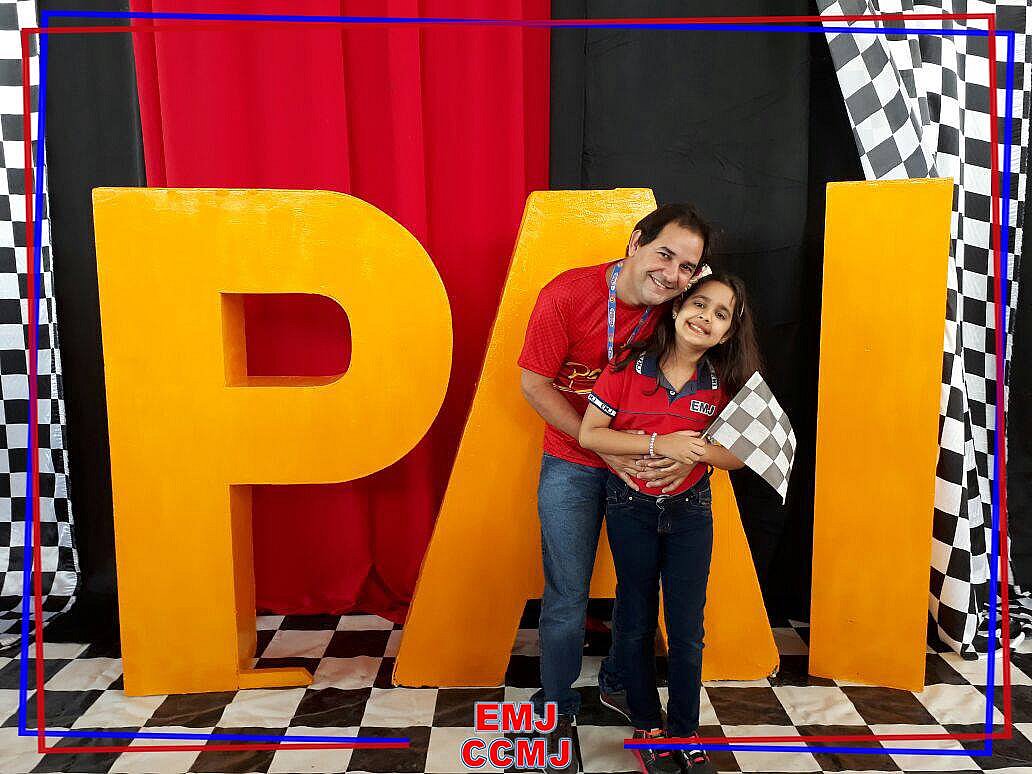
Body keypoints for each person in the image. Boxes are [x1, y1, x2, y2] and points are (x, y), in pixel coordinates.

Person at [518, 204, 713, 774]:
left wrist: (692, 459)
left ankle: (619, 684)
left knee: (639, 594)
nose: (672, 274)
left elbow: (719, 373)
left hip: (647, 465)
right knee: (566, 595)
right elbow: (534, 383)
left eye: (687, 267)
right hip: (573, 462)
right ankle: (555, 710)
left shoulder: (682, 307)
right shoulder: (566, 295)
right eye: (664, 255)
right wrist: (601, 446)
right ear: (635, 241)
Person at [578, 273, 761, 774]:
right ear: (678, 308)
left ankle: (684, 727)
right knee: (635, 619)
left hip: (690, 513)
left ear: (727, 333)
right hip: (630, 507)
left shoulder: (726, 383)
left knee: (686, 629)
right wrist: (661, 444)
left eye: (720, 314)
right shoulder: (627, 366)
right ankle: (645, 723)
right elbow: (591, 434)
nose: (706, 317)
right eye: (700, 304)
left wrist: (693, 451)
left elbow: (739, 455)